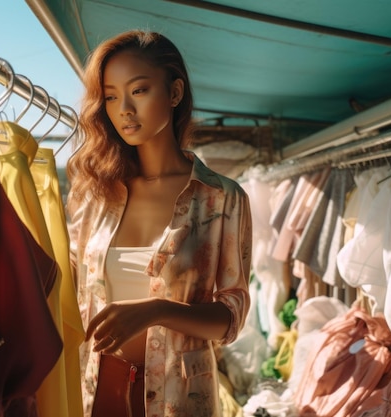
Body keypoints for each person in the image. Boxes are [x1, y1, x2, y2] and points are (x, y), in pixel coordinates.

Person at [66, 29, 253, 417]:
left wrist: (157, 310)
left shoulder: (222, 197)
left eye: (138, 90)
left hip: (179, 395)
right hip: (99, 386)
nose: (124, 110)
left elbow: (231, 316)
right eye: (112, 96)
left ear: (174, 92)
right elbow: (66, 290)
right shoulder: (94, 196)